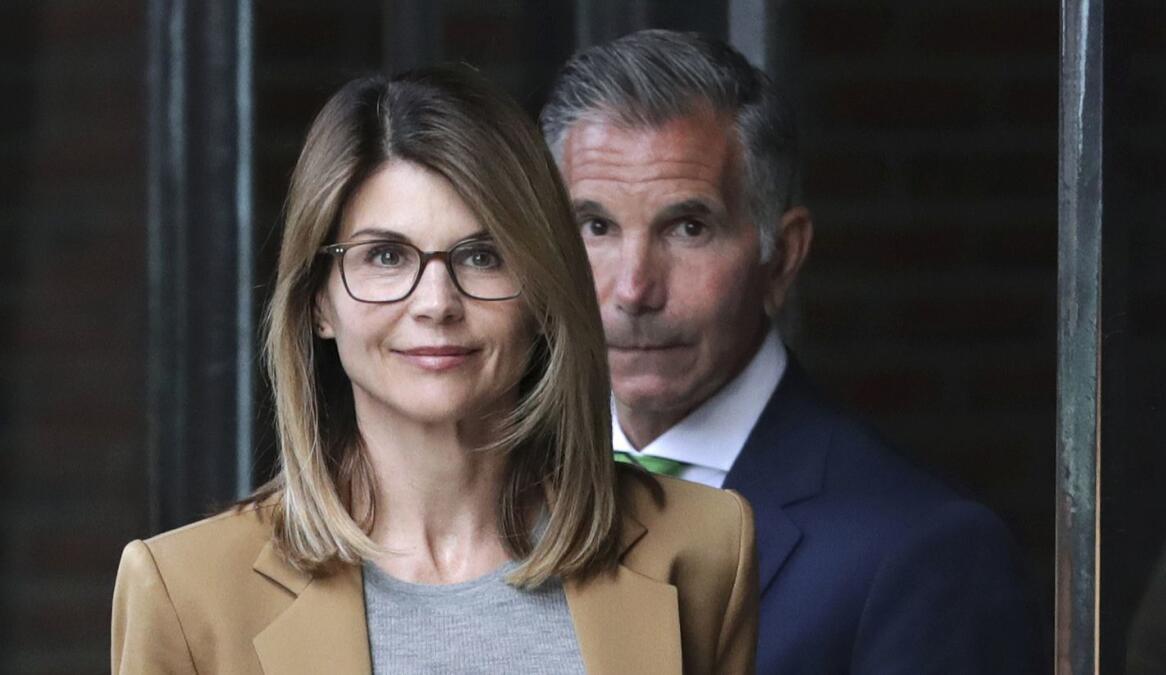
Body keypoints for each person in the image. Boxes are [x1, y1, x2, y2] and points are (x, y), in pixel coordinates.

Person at [111, 66, 758, 674]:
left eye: (482, 255)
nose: (437, 304)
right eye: (386, 255)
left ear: (541, 291)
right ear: (318, 303)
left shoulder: (703, 549)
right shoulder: (184, 591)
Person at [542, 29, 1038, 674]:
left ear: (782, 258)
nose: (634, 290)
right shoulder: (501, 495)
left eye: (689, 228)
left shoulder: (925, 550)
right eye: (595, 226)